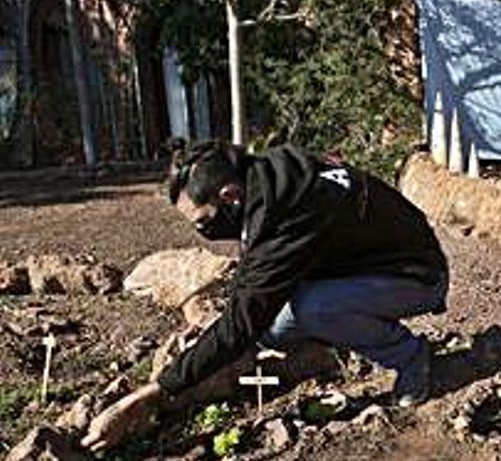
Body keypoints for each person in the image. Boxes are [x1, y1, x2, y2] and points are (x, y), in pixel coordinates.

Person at [82, 140, 448, 452]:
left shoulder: (285, 215)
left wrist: (145, 397)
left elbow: (240, 324)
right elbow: (254, 279)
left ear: (229, 196)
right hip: (367, 265)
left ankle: (409, 357)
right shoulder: (270, 174)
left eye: (202, 221)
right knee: (274, 328)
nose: (202, 231)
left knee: (310, 309)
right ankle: (343, 336)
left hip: (415, 276)